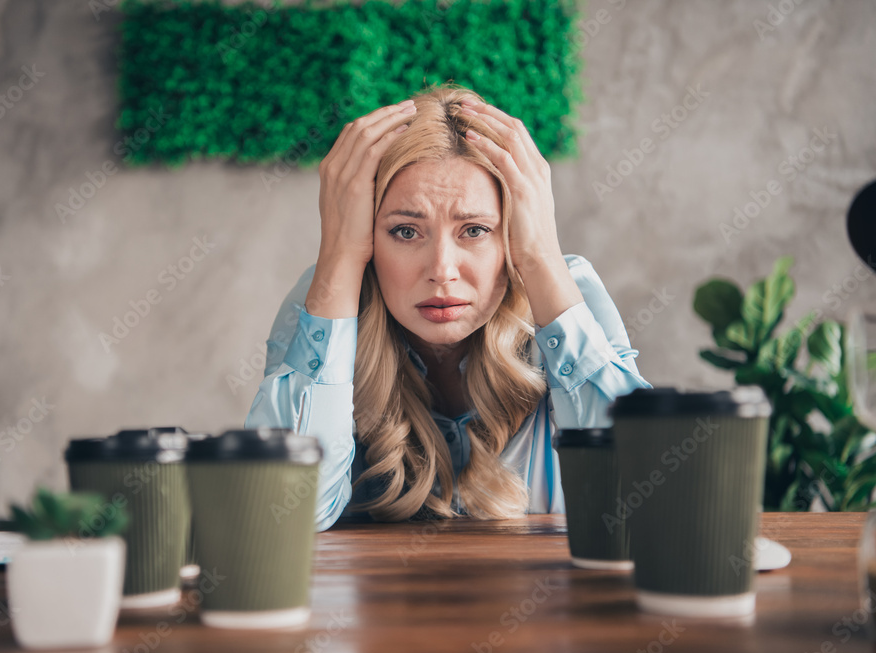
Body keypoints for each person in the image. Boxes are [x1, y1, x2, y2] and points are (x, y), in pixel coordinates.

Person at [245, 83, 652, 532]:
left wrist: (540, 259)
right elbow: (277, 519)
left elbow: (641, 500)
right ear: (368, 239)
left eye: (475, 230)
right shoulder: (327, 299)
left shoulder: (566, 290)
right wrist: (339, 259)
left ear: (512, 235)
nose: (442, 271)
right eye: (405, 232)